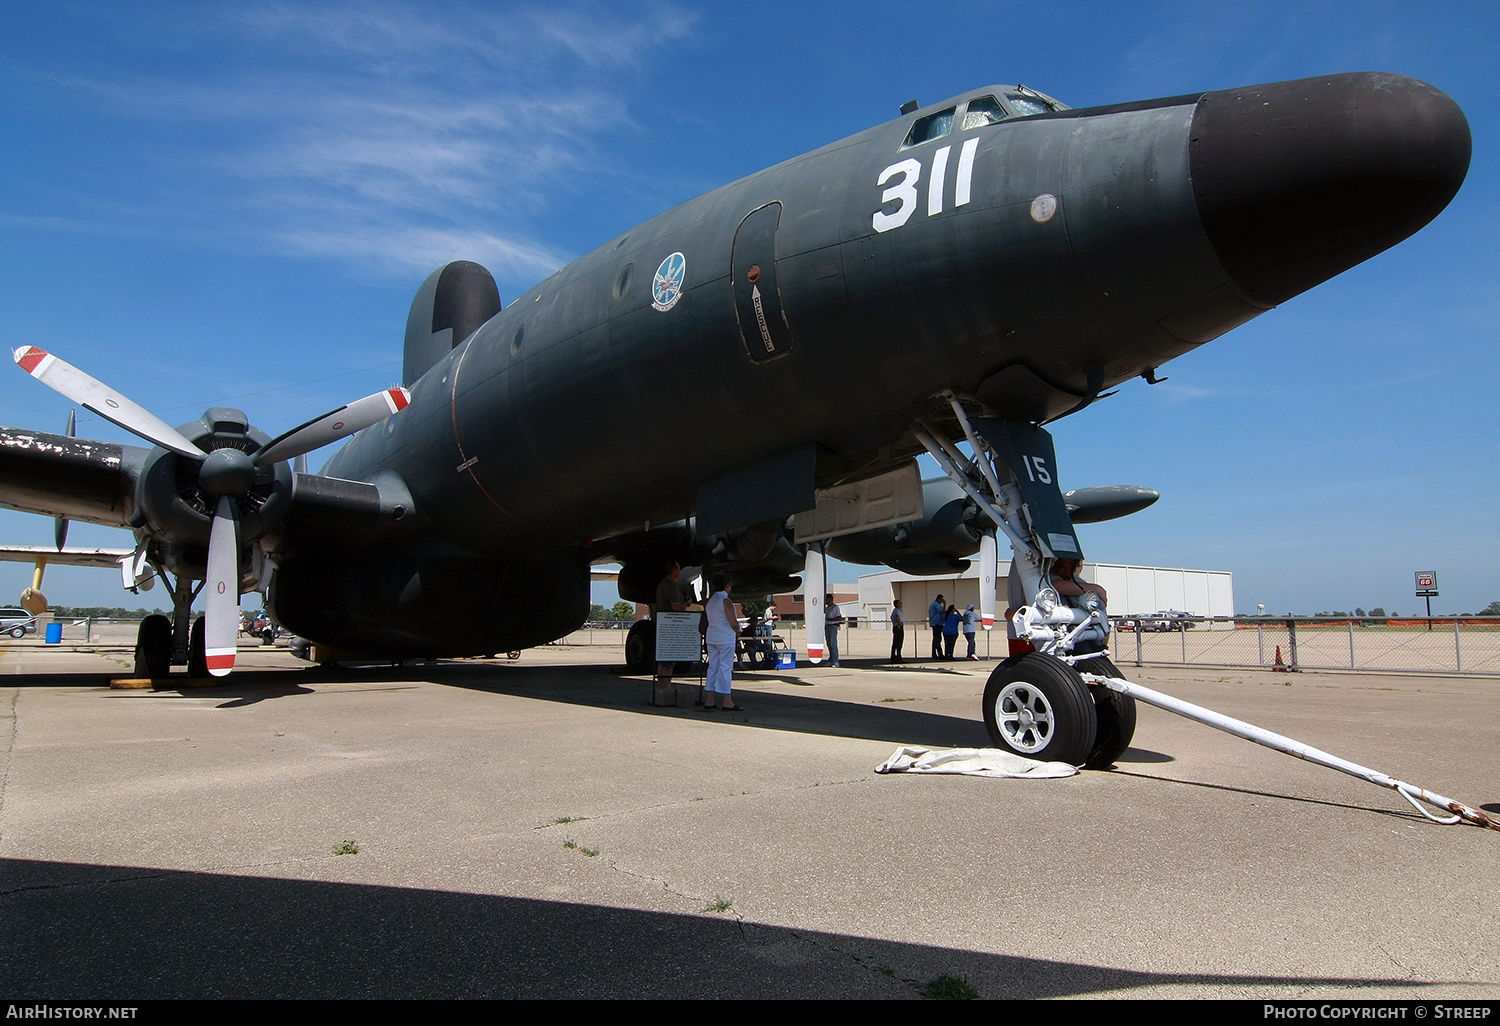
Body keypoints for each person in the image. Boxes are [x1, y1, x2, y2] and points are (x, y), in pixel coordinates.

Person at [702, 574, 740, 710]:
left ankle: (709, 699)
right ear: (727, 585)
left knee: (713, 667)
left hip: (712, 636)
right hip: (725, 638)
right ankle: (727, 700)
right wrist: (738, 630)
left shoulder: (710, 601)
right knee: (725, 667)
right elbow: (733, 622)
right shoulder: (726, 601)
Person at [654, 561, 690, 688]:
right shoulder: (671, 585)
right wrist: (686, 604)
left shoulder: (662, 584)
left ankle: (661, 687)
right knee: (669, 659)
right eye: (679, 569)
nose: (680, 572)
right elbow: (676, 607)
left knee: (663, 659)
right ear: (674, 570)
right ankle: (666, 686)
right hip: (671, 626)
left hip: (663, 624)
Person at [824, 593, 843, 667]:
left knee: (833, 644)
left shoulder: (835, 607)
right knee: (829, 644)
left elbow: (839, 617)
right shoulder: (826, 609)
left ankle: (835, 660)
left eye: (827, 599)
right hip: (827, 626)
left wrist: (831, 620)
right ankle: (831, 659)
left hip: (833, 626)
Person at [928, 593, 945, 659]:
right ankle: (939, 654)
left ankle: (934, 653)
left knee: (936, 639)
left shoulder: (937, 605)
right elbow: (942, 612)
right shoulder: (935, 604)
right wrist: (945, 604)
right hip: (936, 623)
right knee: (937, 639)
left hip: (938, 623)